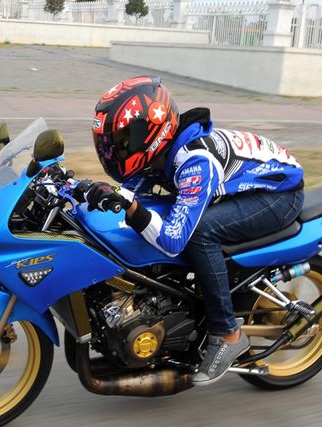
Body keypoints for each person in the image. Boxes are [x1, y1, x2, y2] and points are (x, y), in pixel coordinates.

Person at [78, 76, 304, 386]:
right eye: (109, 144)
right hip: (246, 188)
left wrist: (130, 207)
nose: (114, 152)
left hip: (278, 195)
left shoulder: (195, 162)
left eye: (122, 143)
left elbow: (172, 240)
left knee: (200, 234)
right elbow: (128, 193)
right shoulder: (160, 151)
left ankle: (228, 334)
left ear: (151, 133)